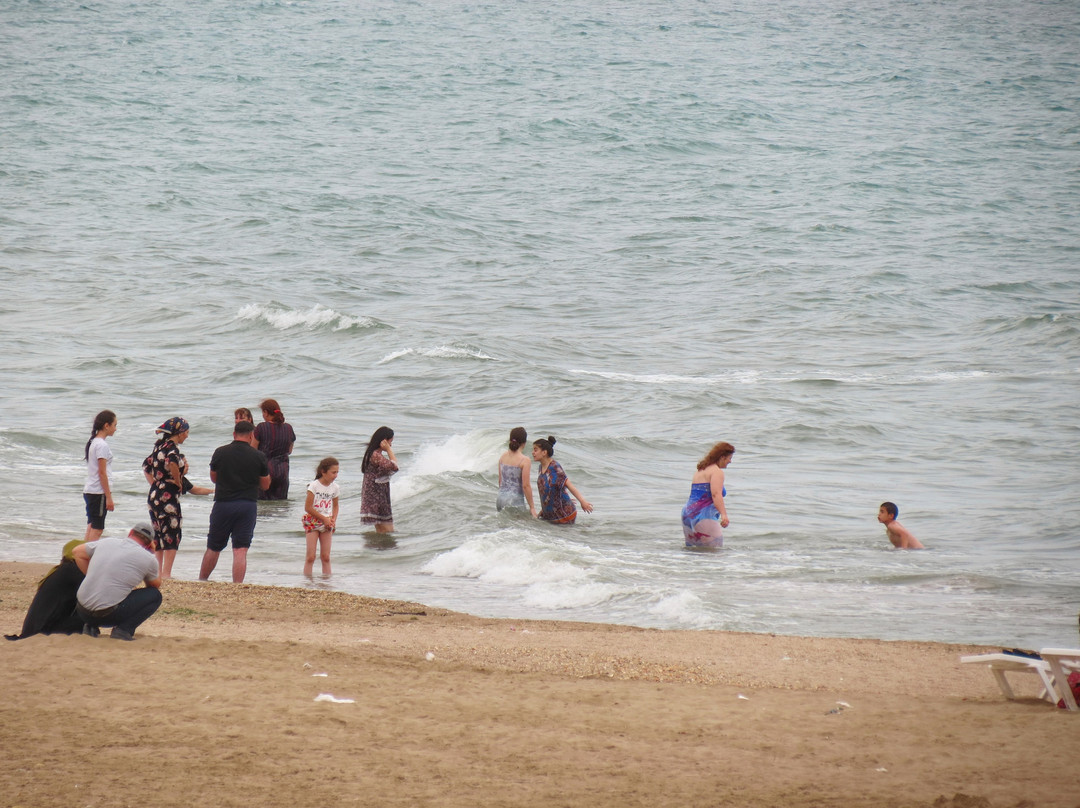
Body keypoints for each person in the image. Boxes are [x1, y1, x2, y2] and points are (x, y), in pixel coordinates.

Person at [199, 421, 270, 582]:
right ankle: (237, 585)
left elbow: (214, 478)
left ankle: (202, 580)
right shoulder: (259, 456)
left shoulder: (220, 452)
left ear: (234, 434)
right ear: (251, 435)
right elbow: (265, 485)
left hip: (223, 503)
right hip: (247, 504)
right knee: (240, 549)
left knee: (213, 546)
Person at [72, 522, 162, 641]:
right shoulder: (148, 558)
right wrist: (152, 554)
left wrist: (90, 574)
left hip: (82, 610)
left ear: (130, 533)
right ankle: (123, 630)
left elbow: (77, 552)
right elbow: (155, 585)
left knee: (103, 585)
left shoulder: (108, 542)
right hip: (107, 615)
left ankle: (90, 627)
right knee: (155, 596)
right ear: (149, 543)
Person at [5, 539, 88, 640]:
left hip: (33, 629)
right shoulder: (72, 571)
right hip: (43, 630)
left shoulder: (62, 570)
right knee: (87, 615)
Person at [143, 417, 192, 579]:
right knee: (172, 531)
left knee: (159, 533)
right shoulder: (172, 449)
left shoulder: (159, 447)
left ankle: (158, 572)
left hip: (155, 494)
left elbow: (146, 467)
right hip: (167, 496)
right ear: (179, 432)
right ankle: (166, 573)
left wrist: (155, 484)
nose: (187, 436)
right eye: (186, 432)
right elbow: (172, 463)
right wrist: (178, 481)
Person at [681, 442, 734, 548]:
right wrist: (724, 515)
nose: (730, 461)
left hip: (687, 514)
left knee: (692, 554)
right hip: (703, 516)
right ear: (722, 457)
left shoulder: (700, 471)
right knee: (715, 553)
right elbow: (716, 494)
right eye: (729, 458)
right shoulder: (716, 472)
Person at [532, 436, 592, 524]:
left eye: (535, 450)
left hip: (564, 516)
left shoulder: (555, 467)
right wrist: (543, 510)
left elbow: (569, 485)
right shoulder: (541, 467)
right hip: (550, 517)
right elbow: (547, 492)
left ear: (544, 452)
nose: (533, 453)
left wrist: (583, 502)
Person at [83, 410, 117, 541]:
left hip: (91, 490)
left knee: (91, 526)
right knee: (97, 529)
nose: (115, 429)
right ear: (106, 425)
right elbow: (102, 473)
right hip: (98, 492)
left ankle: (80, 558)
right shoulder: (102, 445)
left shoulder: (94, 442)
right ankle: (87, 557)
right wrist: (108, 497)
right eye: (114, 425)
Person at [252, 398, 295, 500]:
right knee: (281, 507)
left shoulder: (261, 427)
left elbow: (252, 451)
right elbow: (289, 450)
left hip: (265, 471)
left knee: (263, 505)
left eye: (263, 412)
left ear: (266, 412)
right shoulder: (288, 428)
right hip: (283, 471)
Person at [303, 457, 340, 577]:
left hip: (327, 522)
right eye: (333, 472)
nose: (335, 475)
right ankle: (307, 582)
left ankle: (327, 583)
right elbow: (308, 507)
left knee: (326, 557)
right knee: (311, 557)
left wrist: (333, 519)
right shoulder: (314, 486)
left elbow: (335, 506)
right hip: (313, 521)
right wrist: (323, 518)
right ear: (323, 472)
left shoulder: (335, 487)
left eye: (337, 472)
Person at [360, 426, 398, 533]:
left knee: (384, 529)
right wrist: (389, 450)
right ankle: (383, 548)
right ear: (384, 441)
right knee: (386, 529)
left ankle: (379, 548)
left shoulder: (373, 453)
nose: (391, 445)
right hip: (376, 495)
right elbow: (394, 466)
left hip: (378, 493)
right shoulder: (375, 455)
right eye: (390, 442)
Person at [497, 427, 537, 517]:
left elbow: (500, 481)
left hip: (500, 499)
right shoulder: (525, 460)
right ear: (524, 443)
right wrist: (532, 507)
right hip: (514, 501)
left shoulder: (503, 456)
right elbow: (526, 486)